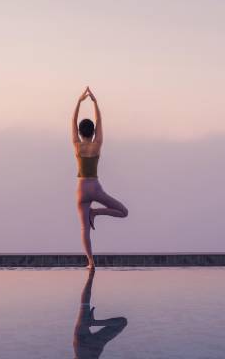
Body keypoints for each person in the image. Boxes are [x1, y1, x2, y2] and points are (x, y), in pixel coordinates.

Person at [72, 86, 129, 268]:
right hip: (95, 187)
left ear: (80, 133)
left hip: (81, 189)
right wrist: (95, 102)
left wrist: (79, 102)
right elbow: (99, 120)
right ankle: (96, 212)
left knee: (84, 229)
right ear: (93, 132)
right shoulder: (97, 144)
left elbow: (72, 121)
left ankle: (90, 261)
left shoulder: (76, 146)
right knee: (123, 212)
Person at [73, 268, 128, 358]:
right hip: (82, 348)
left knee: (123, 322)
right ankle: (91, 274)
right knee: (84, 305)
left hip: (92, 350)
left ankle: (91, 273)